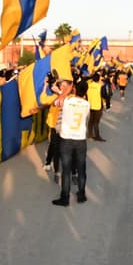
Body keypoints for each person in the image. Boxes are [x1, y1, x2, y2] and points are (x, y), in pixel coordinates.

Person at [52, 77, 90, 206]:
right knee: (81, 168)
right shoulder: (87, 104)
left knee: (66, 170)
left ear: (73, 88)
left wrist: (64, 92)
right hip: (80, 140)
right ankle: (81, 194)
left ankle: (65, 197)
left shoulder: (67, 101)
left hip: (67, 139)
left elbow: (56, 102)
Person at [86, 74, 105, 141]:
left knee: (90, 121)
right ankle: (97, 136)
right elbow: (104, 95)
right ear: (98, 79)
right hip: (98, 106)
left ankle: (90, 135)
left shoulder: (88, 85)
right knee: (96, 122)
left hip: (90, 105)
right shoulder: (100, 86)